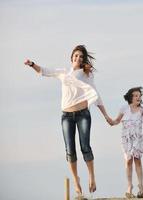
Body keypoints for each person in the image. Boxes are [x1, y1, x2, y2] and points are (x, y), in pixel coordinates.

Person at [24, 45, 112, 196]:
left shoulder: (86, 74)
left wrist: (106, 116)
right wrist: (32, 64)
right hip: (66, 116)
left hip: (83, 114)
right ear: (71, 57)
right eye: (76, 55)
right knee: (70, 151)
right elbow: (44, 71)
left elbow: (96, 94)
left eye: (81, 57)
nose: (78, 58)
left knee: (85, 147)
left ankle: (91, 176)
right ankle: (76, 181)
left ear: (83, 59)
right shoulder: (63, 72)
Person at [111, 87, 143, 198]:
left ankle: (141, 186)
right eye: (135, 95)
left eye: (139, 95)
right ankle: (129, 186)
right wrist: (110, 121)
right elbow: (116, 121)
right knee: (128, 161)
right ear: (130, 97)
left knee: (137, 161)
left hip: (137, 139)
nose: (138, 97)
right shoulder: (124, 108)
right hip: (126, 139)